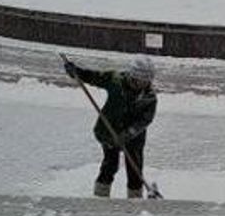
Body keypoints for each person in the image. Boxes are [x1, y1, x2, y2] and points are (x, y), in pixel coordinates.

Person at [64, 55, 157, 199]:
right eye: (140, 80)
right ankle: (100, 196)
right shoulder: (115, 80)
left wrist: (128, 134)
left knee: (135, 170)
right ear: (132, 75)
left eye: (146, 81)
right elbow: (94, 77)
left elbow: (145, 120)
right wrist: (77, 72)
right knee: (110, 165)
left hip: (134, 137)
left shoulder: (149, 97)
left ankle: (135, 201)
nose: (142, 84)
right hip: (110, 131)